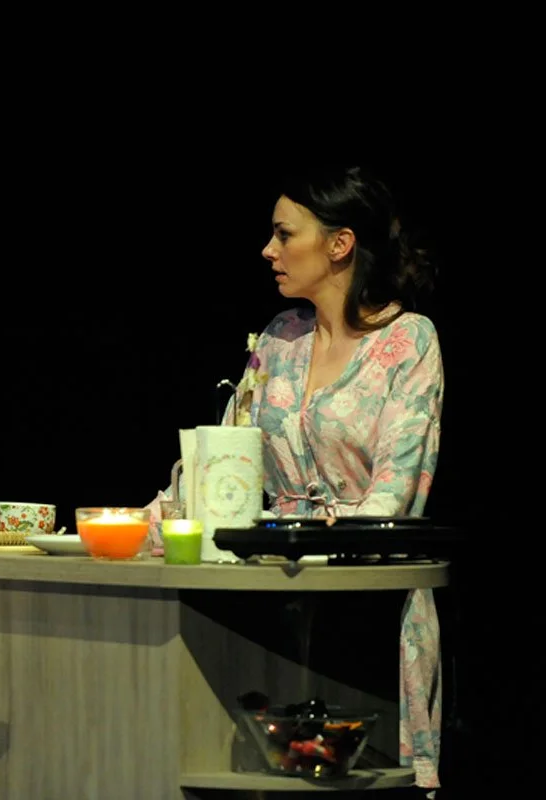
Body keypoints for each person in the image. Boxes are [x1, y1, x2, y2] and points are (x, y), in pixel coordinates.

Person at [153, 164, 444, 789]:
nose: (269, 249)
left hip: (362, 603)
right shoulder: (279, 339)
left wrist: (292, 536)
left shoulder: (408, 341)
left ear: (340, 244)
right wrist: (126, 528)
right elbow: (215, 470)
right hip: (269, 600)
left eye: (284, 234)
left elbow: (391, 499)